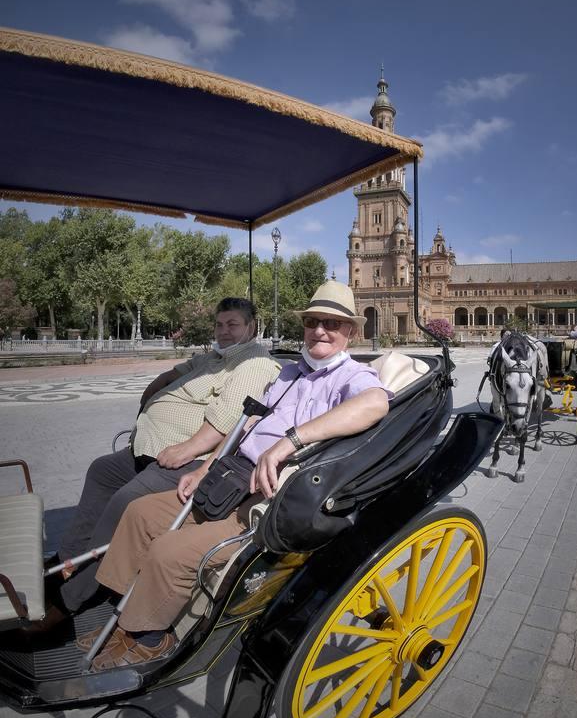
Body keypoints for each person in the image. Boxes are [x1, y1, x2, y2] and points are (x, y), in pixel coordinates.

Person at [80, 281, 391, 670]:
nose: (320, 331)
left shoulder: (351, 377)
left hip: (265, 498)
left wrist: (289, 442)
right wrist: (206, 467)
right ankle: (123, 619)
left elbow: (375, 404)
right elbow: (245, 427)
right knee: (140, 515)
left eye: (332, 323)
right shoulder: (288, 373)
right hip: (227, 478)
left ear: (351, 332)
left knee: (169, 552)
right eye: (313, 322)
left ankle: (149, 637)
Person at [31, 298, 280, 632]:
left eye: (232, 325)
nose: (224, 331)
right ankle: (69, 559)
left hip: (188, 460)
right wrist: (154, 394)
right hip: (150, 447)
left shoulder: (253, 363)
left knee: (125, 503)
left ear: (251, 327)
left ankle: (70, 600)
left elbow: (227, 423)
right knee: (102, 471)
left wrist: (187, 449)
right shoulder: (215, 357)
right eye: (219, 325)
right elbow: (175, 373)